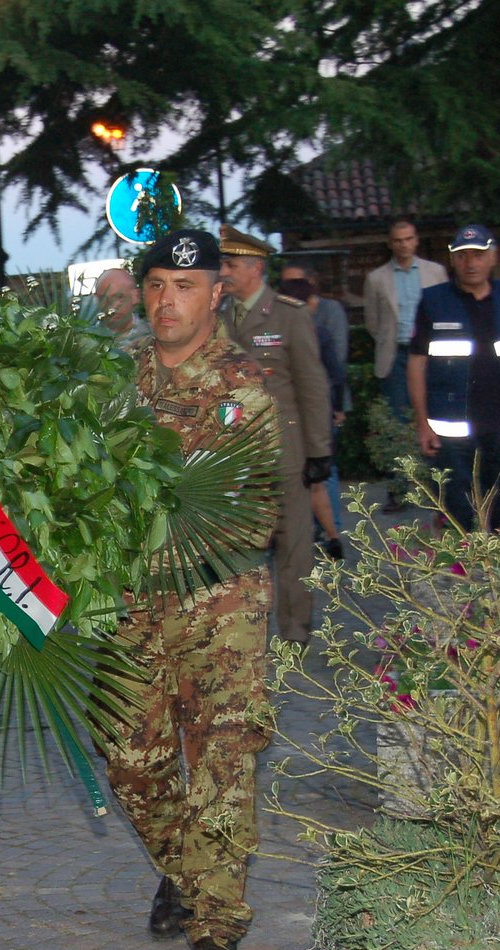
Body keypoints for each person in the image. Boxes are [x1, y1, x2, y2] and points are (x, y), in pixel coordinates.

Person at [100, 229, 279, 950]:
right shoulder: (114, 385)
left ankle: (216, 933)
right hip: (130, 607)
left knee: (222, 769)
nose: (167, 299)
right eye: (156, 284)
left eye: (184, 284)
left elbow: (258, 512)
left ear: (216, 293)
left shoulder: (245, 385)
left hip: (221, 603)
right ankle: (185, 868)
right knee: (132, 764)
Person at [218, 226, 332, 646]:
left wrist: (319, 450)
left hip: (284, 447)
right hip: (235, 450)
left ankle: (295, 630)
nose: (223, 272)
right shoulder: (219, 317)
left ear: (255, 267)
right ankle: (243, 629)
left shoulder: (288, 314)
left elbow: (312, 386)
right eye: (222, 264)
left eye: (230, 264)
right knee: (239, 544)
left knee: (294, 545)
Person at [408, 224, 500, 531]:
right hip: (452, 427)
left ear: (492, 257)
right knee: (457, 513)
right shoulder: (433, 301)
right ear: (452, 261)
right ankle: (465, 575)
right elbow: (416, 363)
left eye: (479, 255)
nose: (471, 263)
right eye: (463, 256)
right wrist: (422, 422)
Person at [366, 219, 448, 512]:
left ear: (416, 240)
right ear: (391, 243)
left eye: (408, 238)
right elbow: (373, 322)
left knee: (438, 417)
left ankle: (439, 485)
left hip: (432, 354)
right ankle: (399, 489)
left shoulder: (435, 272)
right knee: (396, 422)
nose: (403, 244)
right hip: (397, 353)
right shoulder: (376, 278)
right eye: (398, 240)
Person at [278, 273, 345, 560]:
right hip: (317, 414)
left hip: (287, 414)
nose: (317, 302)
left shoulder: (274, 333)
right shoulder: (318, 331)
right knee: (319, 479)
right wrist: (338, 408)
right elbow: (336, 375)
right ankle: (333, 536)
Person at [94, 266, 151, 345]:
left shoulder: (155, 337)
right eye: (103, 298)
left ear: (135, 297)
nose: (112, 306)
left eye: (119, 297)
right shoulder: (86, 340)